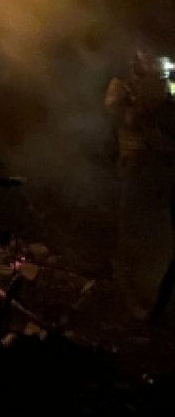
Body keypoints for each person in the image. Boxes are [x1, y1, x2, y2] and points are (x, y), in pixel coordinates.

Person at [105, 51, 175, 313]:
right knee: (133, 228)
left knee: (157, 230)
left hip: (161, 167)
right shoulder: (122, 85)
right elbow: (118, 114)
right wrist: (139, 115)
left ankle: (154, 290)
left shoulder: (161, 81)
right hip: (136, 163)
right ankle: (132, 290)